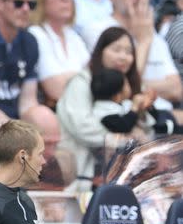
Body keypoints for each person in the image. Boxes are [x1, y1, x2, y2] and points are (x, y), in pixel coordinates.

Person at [58, 27, 162, 189]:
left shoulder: (133, 86)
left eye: (129, 52)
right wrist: (126, 139)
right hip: (86, 174)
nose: (123, 57)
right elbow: (83, 128)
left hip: (131, 173)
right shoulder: (81, 82)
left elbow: (147, 131)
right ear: (100, 52)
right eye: (116, 49)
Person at [80, 0, 182, 107]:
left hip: (163, 116)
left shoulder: (153, 34)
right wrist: (143, 42)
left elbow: (176, 90)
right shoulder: (97, 30)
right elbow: (118, 89)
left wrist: (140, 86)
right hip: (123, 116)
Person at [28, 0, 90, 106]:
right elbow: (55, 89)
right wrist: (84, 79)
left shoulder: (73, 35)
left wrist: (70, 78)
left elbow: (96, 77)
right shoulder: (35, 34)